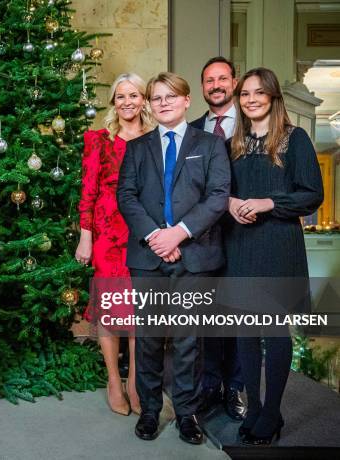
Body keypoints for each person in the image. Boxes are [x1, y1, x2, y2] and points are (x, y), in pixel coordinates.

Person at [117, 72, 230, 445]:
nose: (163, 102)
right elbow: (127, 197)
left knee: (187, 339)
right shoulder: (137, 147)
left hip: (194, 254)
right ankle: (150, 411)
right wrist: (155, 236)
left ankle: (187, 414)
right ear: (150, 104)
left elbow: (217, 196)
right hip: (148, 256)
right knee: (148, 337)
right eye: (157, 97)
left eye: (171, 96)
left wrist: (178, 233)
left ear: (186, 101)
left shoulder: (211, 145)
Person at [225, 68, 323, 445]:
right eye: (245, 93)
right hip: (241, 245)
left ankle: (273, 412)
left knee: (274, 331)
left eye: (258, 93)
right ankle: (255, 407)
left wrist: (268, 202)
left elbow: (312, 194)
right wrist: (232, 202)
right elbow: (219, 188)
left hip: (278, 244)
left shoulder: (294, 139)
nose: (250, 99)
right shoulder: (234, 142)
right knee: (246, 333)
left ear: (273, 97)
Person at [76, 73, 155, 416]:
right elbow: (88, 191)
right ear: (113, 102)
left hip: (144, 232)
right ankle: (113, 380)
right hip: (107, 236)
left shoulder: (155, 138)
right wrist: (85, 237)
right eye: (120, 96)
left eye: (133, 95)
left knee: (139, 311)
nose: (127, 102)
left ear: (143, 100)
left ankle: (136, 382)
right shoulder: (98, 140)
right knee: (111, 310)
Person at [191, 56, 245, 421]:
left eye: (222, 78)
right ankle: (210, 385)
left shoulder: (254, 126)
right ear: (202, 87)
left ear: (235, 81)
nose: (216, 85)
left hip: (244, 234)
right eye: (209, 80)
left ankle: (237, 386)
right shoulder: (192, 129)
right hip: (204, 237)